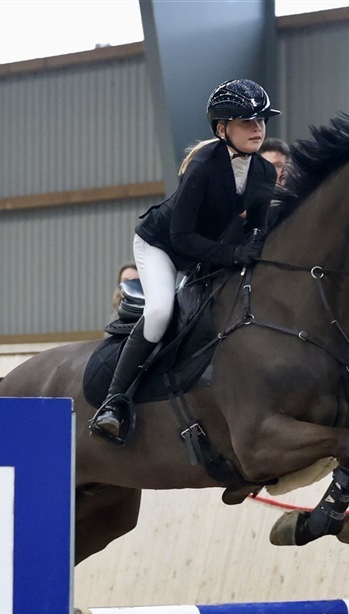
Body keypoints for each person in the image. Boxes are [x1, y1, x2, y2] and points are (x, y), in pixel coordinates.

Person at [91, 78, 281, 442]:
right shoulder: (204, 166)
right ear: (222, 129)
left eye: (261, 120)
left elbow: (256, 226)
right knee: (160, 311)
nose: (257, 128)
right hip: (162, 246)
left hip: (204, 249)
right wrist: (232, 253)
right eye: (246, 121)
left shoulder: (264, 171)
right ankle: (113, 402)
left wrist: (256, 248)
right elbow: (181, 237)